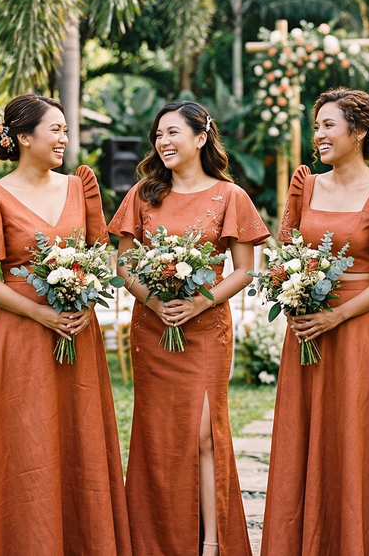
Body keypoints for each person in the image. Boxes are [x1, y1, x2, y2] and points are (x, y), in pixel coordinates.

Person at [0, 94, 131, 556]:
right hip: (22, 333)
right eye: (55, 129)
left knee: (79, 438)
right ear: (22, 137)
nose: (64, 139)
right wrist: (41, 314)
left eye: (65, 129)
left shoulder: (80, 187)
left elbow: (99, 255)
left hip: (77, 327)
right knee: (27, 440)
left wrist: (82, 301)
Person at [260, 88, 369, 556]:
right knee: (302, 437)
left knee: (355, 435)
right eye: (317, 126)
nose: (319, 136)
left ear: (359, 130)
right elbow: (284, 256)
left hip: (356, 328)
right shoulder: (306, 185)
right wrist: (292, 294)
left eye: (328, 125)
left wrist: (339, 316)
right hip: (307, 327)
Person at [108, 100, 269, 556]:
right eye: (158, 134)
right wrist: (155, 301)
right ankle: (153, 539)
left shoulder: (229, 196)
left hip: (205, 329)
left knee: (204, 433)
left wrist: (199, 302)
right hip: (153, 328)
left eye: (173, 133)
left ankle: (212, 543)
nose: (163, 142)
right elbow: (123, 262)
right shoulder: (142, 193)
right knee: (157, 434)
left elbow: (243, 271)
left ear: (201, 138)